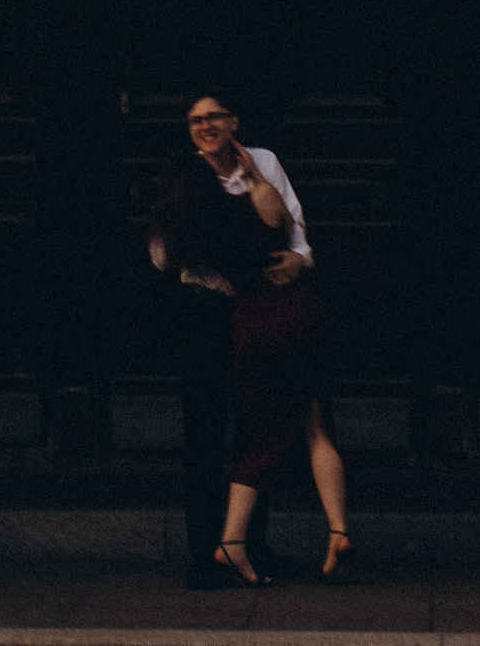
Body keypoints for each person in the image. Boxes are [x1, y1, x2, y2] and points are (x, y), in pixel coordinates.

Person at [148, 92, 353, 587]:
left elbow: (296, 227)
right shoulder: (185, 177)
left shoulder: (262, 163)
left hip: (261, 312)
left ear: (234, 121)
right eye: (195, 119)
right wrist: (202, 258)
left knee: (257, 427)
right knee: (204, 429)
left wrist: (300, 260)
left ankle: (250, 545)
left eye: (214, 116)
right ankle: (205, 553)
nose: (205, 125)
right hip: (208, 312)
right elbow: (160, 254)